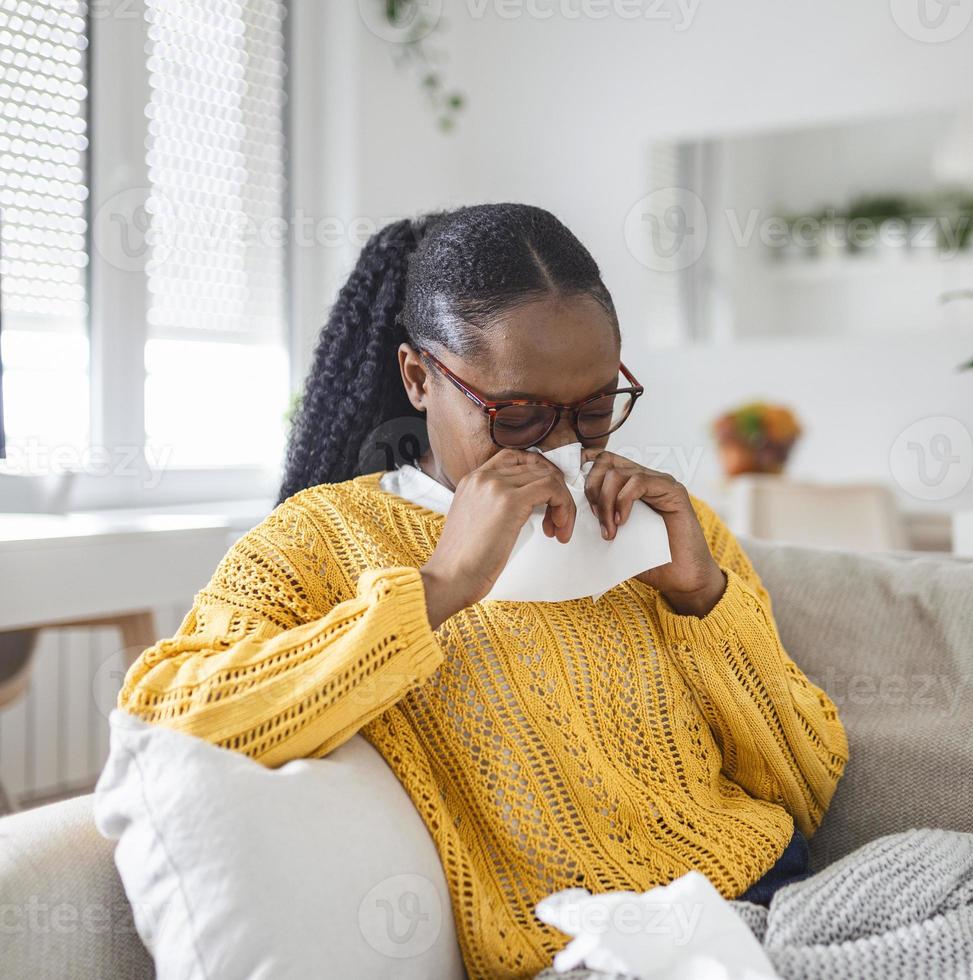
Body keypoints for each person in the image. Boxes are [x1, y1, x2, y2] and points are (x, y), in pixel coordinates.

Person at [116, 203, 849, 979]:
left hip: (776, 897)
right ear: (418, 378)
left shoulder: (670, 524)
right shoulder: (325, 537)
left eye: (597, 407)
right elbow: (169, 712)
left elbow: (806, 787)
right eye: (519, 415)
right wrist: (438, 587)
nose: (566, 444)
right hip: (587, 950)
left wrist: (704, 599)